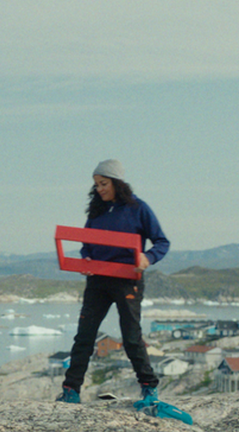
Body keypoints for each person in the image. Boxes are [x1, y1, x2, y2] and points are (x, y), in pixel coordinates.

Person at [57, 159, 170, 405]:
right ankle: (70, 391)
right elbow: (86, 242)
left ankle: (149, 387)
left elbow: (162, 242)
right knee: (84, 336)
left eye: (104, 183)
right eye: (96, 184)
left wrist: (147, 258)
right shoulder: (96, 211)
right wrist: (85, 258)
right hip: (97, 280)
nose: (99, 189)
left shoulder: (138, 208)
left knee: (131, 336)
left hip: (128, 281)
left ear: (117, 183)